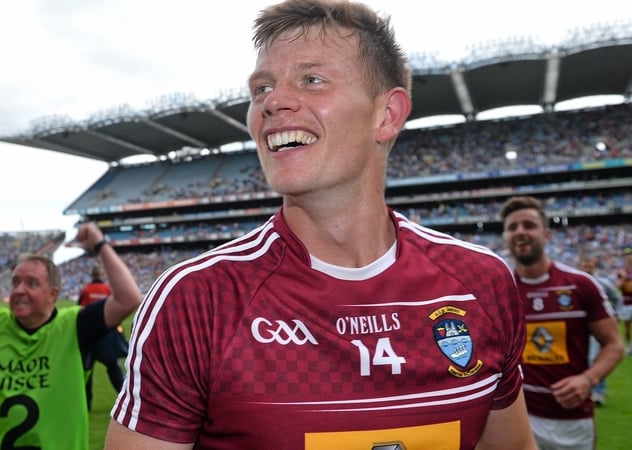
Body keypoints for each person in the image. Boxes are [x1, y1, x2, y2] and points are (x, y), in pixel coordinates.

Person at [106, 1, 535, 448]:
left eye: (312, 80)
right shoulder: (198, 300)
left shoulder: (481, 284)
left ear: (386, 115)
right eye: (261, 88)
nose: (272, 102)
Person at [0, 221, 141, 450]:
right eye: (15, 282)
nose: (19, 289)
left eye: (31, 283)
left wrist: (100, 245)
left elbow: (129, 298)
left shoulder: (75, 326)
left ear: (53, 294)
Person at [501, 195, 623, 450]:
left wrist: (588, 380)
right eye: (512, 227)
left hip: (571, 418)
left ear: (546, 235)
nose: (520, 232)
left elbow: (614, 344)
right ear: (505, 237)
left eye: (528, 225)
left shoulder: (580, 285)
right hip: (519, 416)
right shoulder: (502, 290)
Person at [78, 265, 129, 409]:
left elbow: (79, 311)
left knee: (87, 373)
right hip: (105, 335)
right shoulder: (107, 289)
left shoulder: (86, 290)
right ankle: (126, 399)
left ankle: (86, 405)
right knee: (114, 369)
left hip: (89, 337)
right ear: (101, 274)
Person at [579, 253, 622, 406]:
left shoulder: (602, 283)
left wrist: (614, 314)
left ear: (594, 267)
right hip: (580, 329)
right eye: (584, 265)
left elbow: (617, 297)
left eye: (589, 266)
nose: (587, 268)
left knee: (596, 358)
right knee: (581, 358)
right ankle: (584, 390)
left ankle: (598, 393)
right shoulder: (575, 283)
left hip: (597, 328)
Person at [614, 252, 632, 355]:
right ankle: (629, 345)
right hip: (626, 303)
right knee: (627, 329)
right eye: (628, 258)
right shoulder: (622, 272)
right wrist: (624, 278)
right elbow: (617, 286)